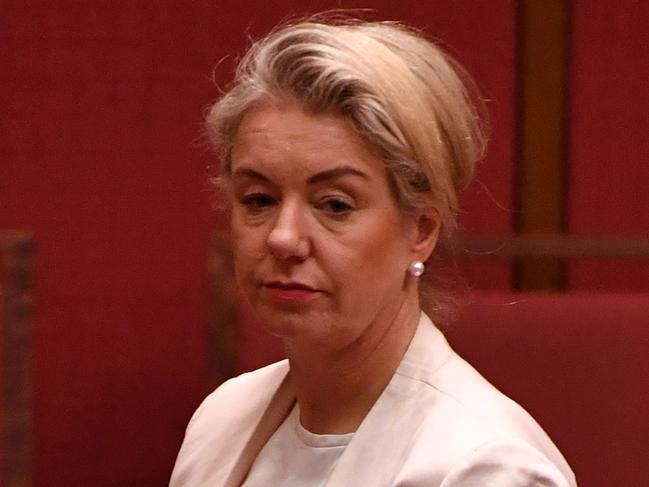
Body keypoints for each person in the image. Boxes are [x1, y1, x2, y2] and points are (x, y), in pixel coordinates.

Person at [170, 16, 577, 487]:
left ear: (420, 231)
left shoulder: (487, 468)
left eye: (335, 205)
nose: (282, 238)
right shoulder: (222, 420)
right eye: (259, 200)